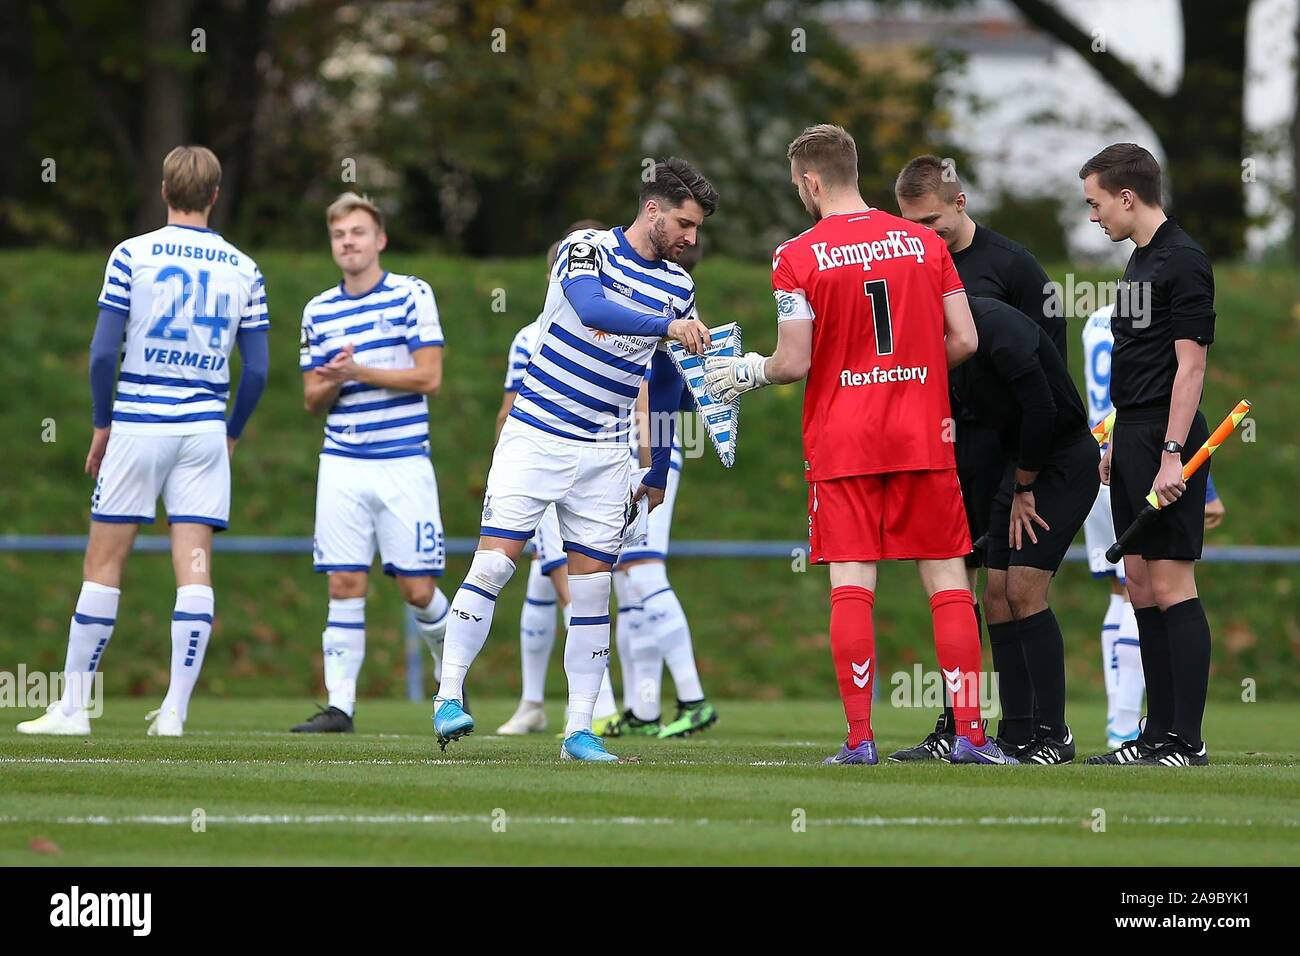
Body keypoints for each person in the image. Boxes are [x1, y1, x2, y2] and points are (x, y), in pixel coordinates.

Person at [704, 124, 1016, 765]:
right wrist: (915, 374)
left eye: (798, 186)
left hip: (844, 439)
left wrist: (743, 373)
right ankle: (972, 737)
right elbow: (966, 339)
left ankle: (860, 740)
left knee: (852, 581)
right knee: (948, 581)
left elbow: (792, 362)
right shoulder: (926, 243)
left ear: (811, 182)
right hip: (921, 433)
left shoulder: (796, 255)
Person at [432, 160, 716, 762]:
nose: (692, 238)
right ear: (652, 211)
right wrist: (670, 325)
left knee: (592, 595)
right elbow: (592, 309)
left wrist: (660, 464)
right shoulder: (586, 250)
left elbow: (664, 381)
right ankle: (449, 693)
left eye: (697, 229)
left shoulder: (679, 286)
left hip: (608, 453)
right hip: (536, 435)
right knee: (495, 566)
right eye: (685, 224)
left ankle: (579, 730)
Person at [18, 146, 270, 737]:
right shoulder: (244, 268)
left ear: (164, 190)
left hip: (138, 423)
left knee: (104, 564)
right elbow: (256, 370)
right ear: (214, 195)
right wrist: (231, 432)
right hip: (204, 431)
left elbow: (105, 350)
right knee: (195, 566)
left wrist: (102, 423)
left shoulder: (132, 255)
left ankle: (74, 709)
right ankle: (175, 711)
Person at [890, 153, 1064, 760]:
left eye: (932, 224)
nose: (923, 237)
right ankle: (958, 724)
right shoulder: (910, 265)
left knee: (1006, 590)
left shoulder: (1014, 267)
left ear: (960, 204)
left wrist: (1028, 471)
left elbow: (1049, 375)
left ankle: (1032, 728)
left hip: (1003, 447)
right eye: (911, 226)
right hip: (945, 442)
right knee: (949, 585)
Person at [1080, 144, 1217, 767]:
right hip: (1131, 435)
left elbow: (1190, 369)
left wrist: (1169, 454)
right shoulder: (1138, 260)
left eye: (1096, 203)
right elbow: (1139, 364)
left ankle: (1184, 739)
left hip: (1169, 438)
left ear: (1126, 197)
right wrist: (1114, 438)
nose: (1093, 216)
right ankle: (1154, 734)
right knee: (1137, 584)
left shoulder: (1184, 260)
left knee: (1170, 583)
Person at [293, 193, 450, 733]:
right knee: (343, 583)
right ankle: (341, 706)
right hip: (342, 461)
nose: (349, 243)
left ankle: (448, 675)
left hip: (404, 461)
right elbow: (311, 399)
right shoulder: (319, 310)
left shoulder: (412, 294)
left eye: (358, 233)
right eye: (339, 236)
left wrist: (359, 371)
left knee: (418, 591)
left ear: (379, 239)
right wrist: (333, 381)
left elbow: (429, 376)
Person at [494, 222, 622, 736]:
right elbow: (509, 408)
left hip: (591, 466)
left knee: (556, 583)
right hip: (540, 458)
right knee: (555, 581)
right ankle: (556, 705)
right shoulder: (530, 336)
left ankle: (572, 706)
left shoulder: (616, 327)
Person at [959, 297, 1099, 762]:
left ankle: (1054, 733)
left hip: (1060, 462)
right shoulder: (936, 334)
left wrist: (1024, 486)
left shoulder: (999, 329)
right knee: (996, 593)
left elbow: (1042, 409)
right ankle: (1016, 732)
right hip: (1015, 465)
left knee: (1023, 590)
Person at [610, 237, 718, 740]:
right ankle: (644, 707)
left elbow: (669, 396)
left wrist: (654, 461)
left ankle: (694, 699)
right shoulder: (662, 309)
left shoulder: (664, 311)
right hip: (629, 451)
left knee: (642, 571)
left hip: (644, 453)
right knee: (627, 582)